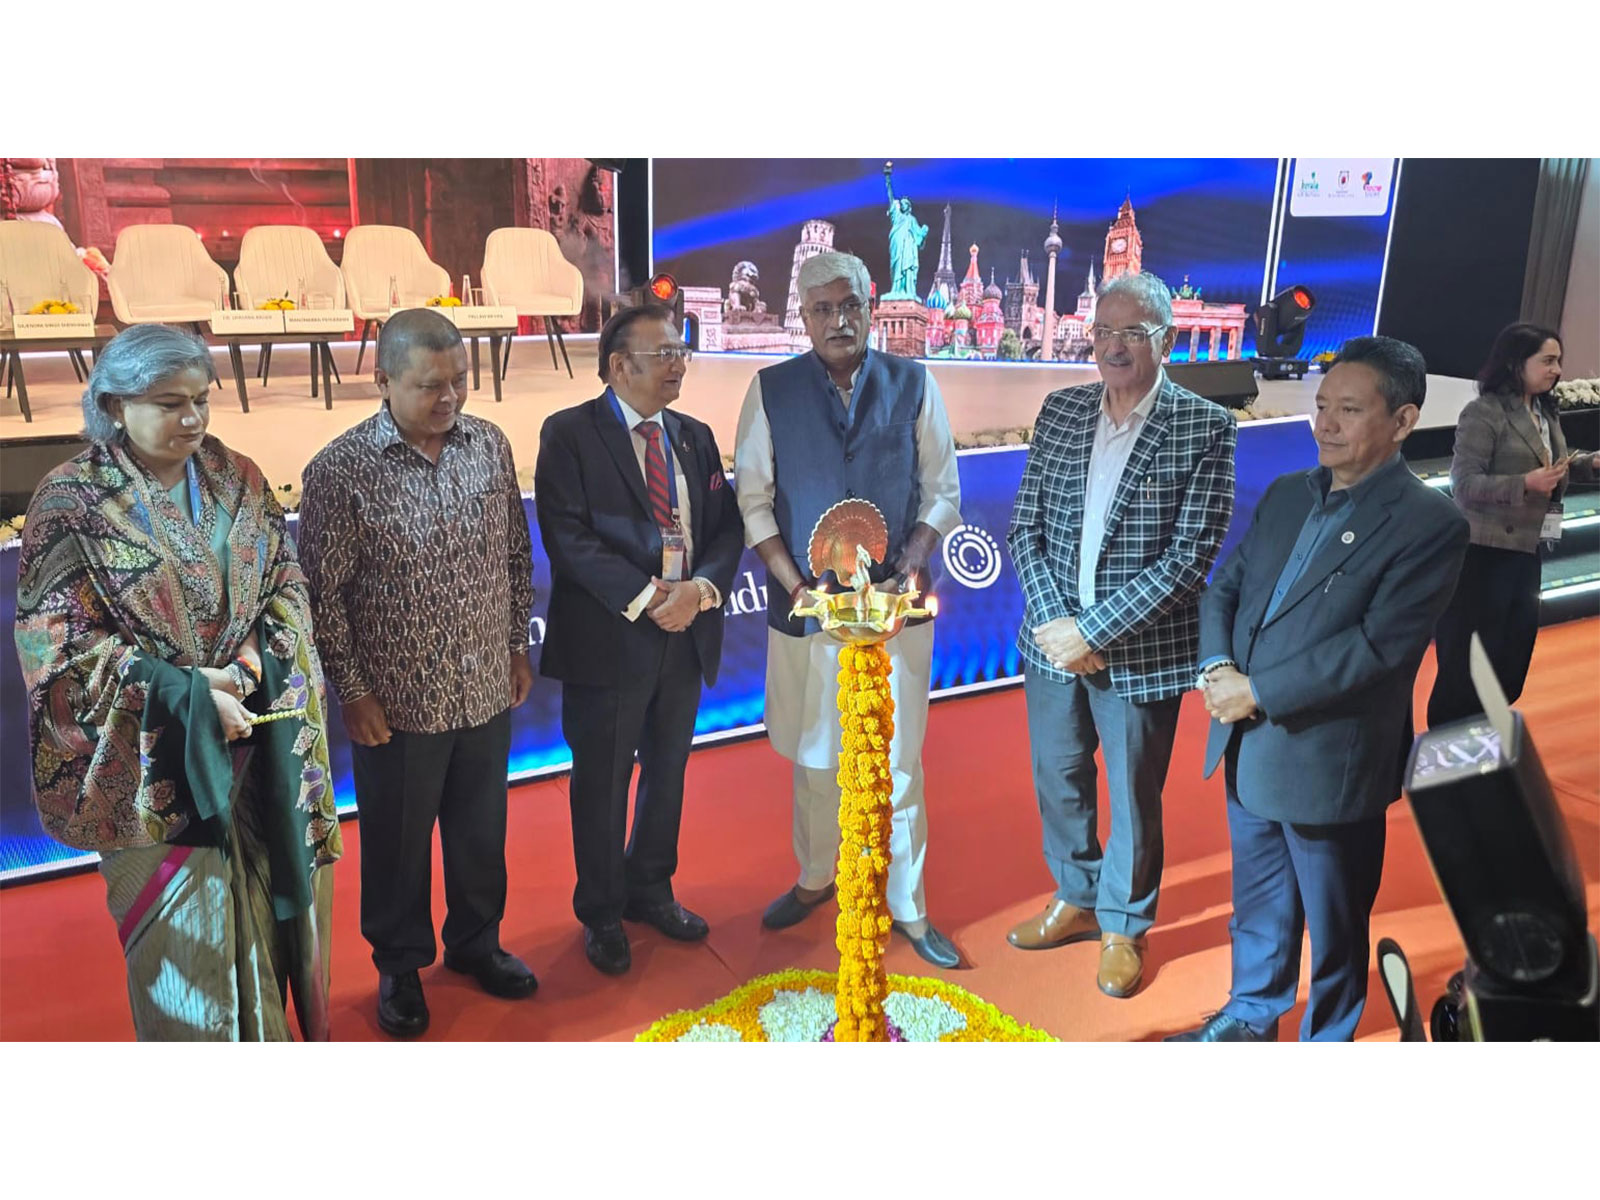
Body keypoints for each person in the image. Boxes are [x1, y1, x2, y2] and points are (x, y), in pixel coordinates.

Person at [12, 324, 341, 1040]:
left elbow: (286, 583)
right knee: (186, 963)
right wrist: (188, 697)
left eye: (200, 400)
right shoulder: (71, 500)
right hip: (155, 768)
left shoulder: (237, 476)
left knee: (269, 926)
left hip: (256, 748)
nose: (192, 419)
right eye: (169, 404)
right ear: (114, 405)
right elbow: (59, 646)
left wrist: (248, 670)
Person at [1170, 336, 1469, 1042]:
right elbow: (1225, 588)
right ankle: (1250, 1016)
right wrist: (1216, 670)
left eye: (1350, 410)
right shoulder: (1285, 494)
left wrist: (1257, 691)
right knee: (1259, 904)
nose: (1325, 425)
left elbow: (1375, 648)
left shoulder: (1431, 525)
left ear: (1402, 421)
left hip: (1331, 760)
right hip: (1247, 744)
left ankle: (1327, 1040)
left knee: (1334, 924)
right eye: (1322, 406)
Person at [297, 308, 536, 1039]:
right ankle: (399, 965)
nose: (450, 397)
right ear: (383, 380)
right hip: (397, 703)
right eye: (430, 385)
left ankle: (477, 942)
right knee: (398, 845)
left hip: (484, 685)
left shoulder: (488, 445)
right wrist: (353, 691)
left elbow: (514, 552)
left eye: (459, 380)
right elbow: (322, 595)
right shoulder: (339, 471)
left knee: (480, 832)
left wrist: (514, 646)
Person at [1006, 271, 1237, 998]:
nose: (1112, 346)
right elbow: (1024, 529)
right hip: (1051, 644)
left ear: (1166, 339)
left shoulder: (1205, 426)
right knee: (1059, 775)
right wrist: (1056, 625)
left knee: (1134, 794)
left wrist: (1092, 632)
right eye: (1103, 331)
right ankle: (1076, 896)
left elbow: (1189, 559)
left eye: (1132, 332)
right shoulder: (1062, 410)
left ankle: (1124, 925)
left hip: (1139, 654)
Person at [734, 250, 964, 969]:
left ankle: (909, 906)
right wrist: (793, 585)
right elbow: (753, 500)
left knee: (899, 764)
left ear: (870, 307)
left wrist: (913, 561)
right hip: (808, 612)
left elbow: (943, 490)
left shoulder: (914, 383)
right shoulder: (770, 390)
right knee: (813, 758)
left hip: (894, 611)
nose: (839, 321)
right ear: (803, 317)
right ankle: (814, 878)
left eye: (851, 306)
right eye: (823, 309)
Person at [534, 304, 744, 975]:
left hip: (685, 635)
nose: (679, 364)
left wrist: (699, 592)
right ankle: (601, 911)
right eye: (664, 354)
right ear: (620, 366)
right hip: (610, 641)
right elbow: (568, 537)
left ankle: (651, 887)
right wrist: (651, 597)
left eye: (682, 352)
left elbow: (726, 527)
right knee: (601, 784)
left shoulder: (694, 435)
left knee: (668, 770)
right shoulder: (570, 434)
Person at [1427, 323, 1597, 727]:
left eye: (1558, 360)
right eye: (1548, 360)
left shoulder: (1544, 410)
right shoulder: (1484, 413)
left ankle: (1481, 732)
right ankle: (1446, 745)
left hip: (1526, 549)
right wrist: (1524, 484)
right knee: (1467, 663)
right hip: (1482, 556)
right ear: (1515, 363)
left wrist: (1587, 464)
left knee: (1512, 654)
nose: (1557, 370)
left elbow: (1547, 462)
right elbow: (1464, 485)